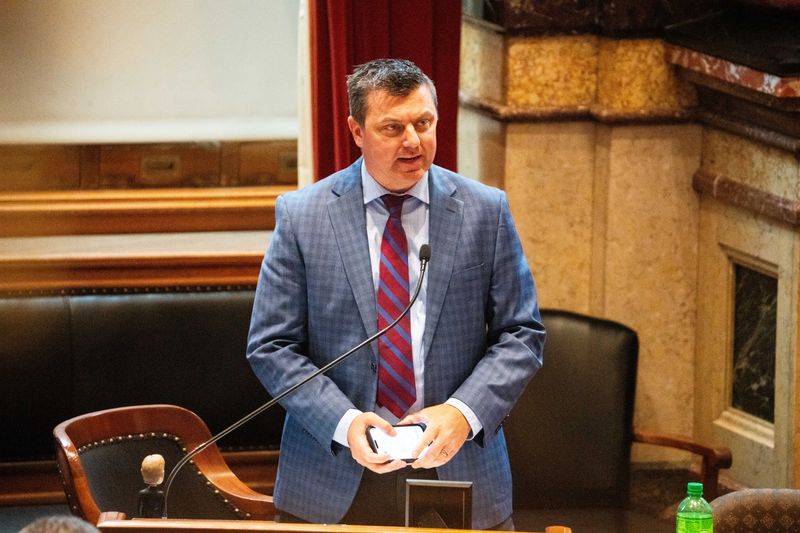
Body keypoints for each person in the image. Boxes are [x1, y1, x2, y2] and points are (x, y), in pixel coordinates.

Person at [246, 58, 545, 530]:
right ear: (356, 130)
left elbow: (522, 334)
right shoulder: (303, 216)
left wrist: (462, 414)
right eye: (392, 127)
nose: (413, 141)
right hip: (332, 477)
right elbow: (271, 346)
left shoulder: (484, 211)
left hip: (457, 465)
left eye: (423, 123)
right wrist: (344, 423)